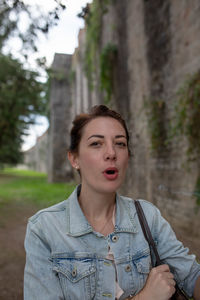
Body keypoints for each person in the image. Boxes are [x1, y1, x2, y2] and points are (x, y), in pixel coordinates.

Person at [24, 105, 200, 300]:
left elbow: (192, 276)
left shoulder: (147, 216)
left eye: (120, 143)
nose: (111, 153)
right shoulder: (44, 229)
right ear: (74, 159)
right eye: (96, 144)